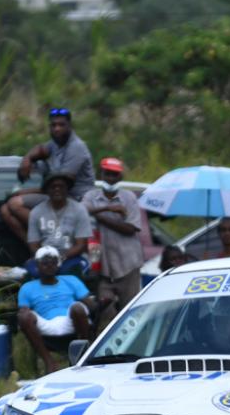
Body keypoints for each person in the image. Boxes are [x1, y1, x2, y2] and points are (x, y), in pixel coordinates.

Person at [0, 108, 93, 244]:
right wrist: (28, 158)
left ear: (70, 126)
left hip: (75, 198)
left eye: (61, 125)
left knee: (15, 203)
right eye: (53, 125)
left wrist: (21, 192)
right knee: (4, 210)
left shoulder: (76, 147)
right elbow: (41, 149)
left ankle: (55, 236)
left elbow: (61, 186)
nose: (57, 129)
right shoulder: (55, 144)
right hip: (56, 196)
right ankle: (37, 250)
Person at [82, 157, 143, 327]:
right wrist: (108, 208)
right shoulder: (91, 195)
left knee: (130, 314)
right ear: (101, 174)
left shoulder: (129, 198)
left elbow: (130, 228)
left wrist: (99, 216)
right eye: (107, 174)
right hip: (103, 267)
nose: (110, 178)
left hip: (127, 264)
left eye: (114, 175)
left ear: (120, 177)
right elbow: (81, 210)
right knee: (104, 314)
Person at [17, 246, 93, 374]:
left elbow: (91, 305)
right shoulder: (27, 287)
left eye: (53, 262)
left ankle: (82, 355)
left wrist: (99, 304)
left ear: (58, 265)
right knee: (24, 316)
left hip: (70, 321)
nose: (49, 266)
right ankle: (49, 361)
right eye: (45, 263)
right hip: (45, 323)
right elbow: (24, 311)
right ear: (37, 266)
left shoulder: (71, 280)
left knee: (77, 308)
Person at [25, 173, 92, 278]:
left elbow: (81, 245)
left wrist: (60, 258)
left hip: (71, 257)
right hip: (44, 257)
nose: (57, 189)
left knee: (71, 274)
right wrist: (45, 259)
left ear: (67, 189)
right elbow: (33, 244)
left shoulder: (79, 210)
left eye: (61, 187)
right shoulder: (36, 212)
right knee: (31, 273)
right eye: (53, 187)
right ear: (47, 190)